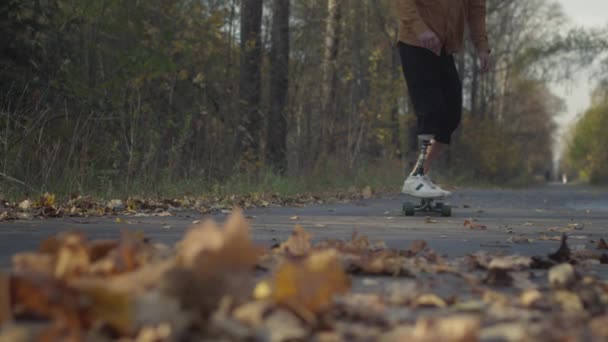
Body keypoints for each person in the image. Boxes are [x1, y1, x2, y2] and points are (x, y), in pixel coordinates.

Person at [396, 0, 491, 198]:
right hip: (416, 41)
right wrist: (420, 28)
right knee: (431, 111)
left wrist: (482, 45)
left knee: (451, 114)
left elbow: (476, 10)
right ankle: (417, 177)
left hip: (443, 47)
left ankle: (418, 175)